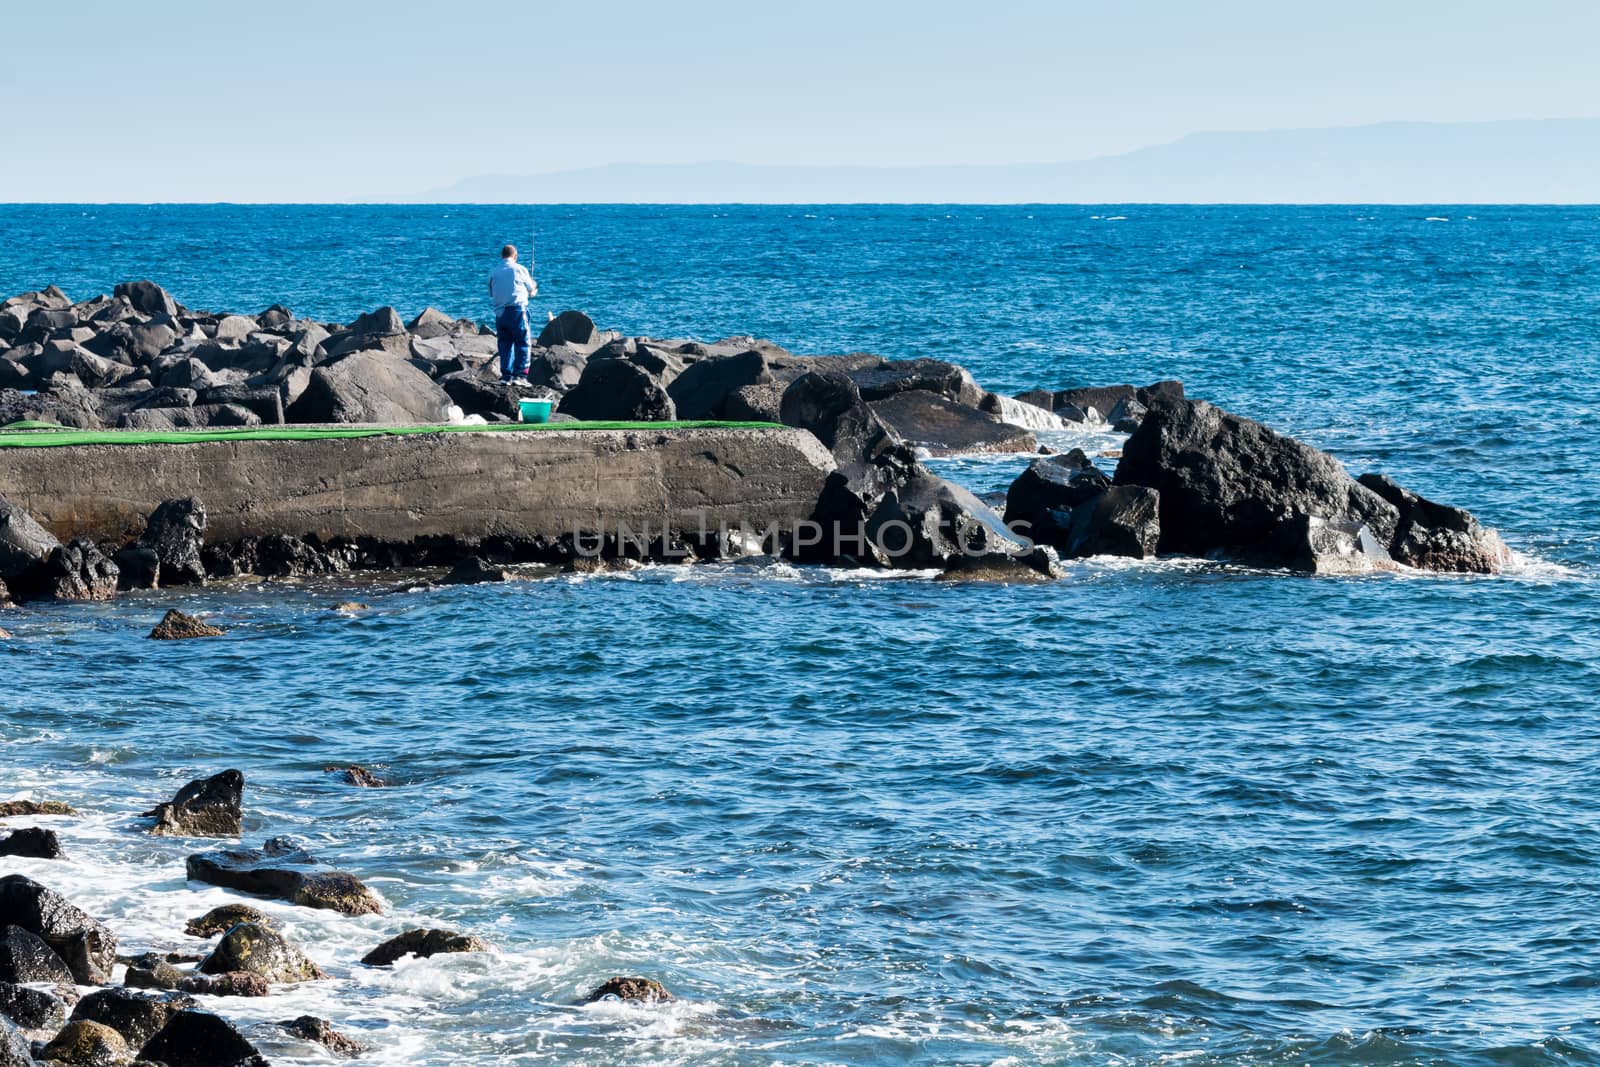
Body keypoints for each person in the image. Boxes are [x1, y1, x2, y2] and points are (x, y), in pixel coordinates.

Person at [488, 243, 538, 383]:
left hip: (500, 314)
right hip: (517, 311)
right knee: (523, 342)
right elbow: (531, 289)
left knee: (505, 344)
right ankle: (520, 375)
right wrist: (533, 289)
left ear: (502, 256)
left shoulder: (494, 271)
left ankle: (506, 376)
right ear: (515, 256)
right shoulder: (520, 269)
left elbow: (491, 293)